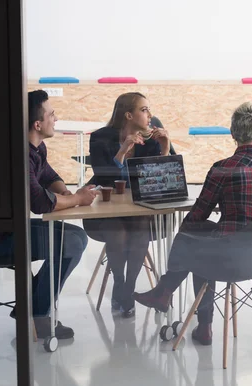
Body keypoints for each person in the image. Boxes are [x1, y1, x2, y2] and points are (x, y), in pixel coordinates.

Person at [133, 102, 252, 345]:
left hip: (226, 257)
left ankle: (198, 319)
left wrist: (182, 235)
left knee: (197, 240)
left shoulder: (222, 169)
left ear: (232, 134)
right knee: (202, 241)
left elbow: (199, 214)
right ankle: (165, 293)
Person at [0, 90, 97, 339]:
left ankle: (30, 310)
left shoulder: (34, 147)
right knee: (71, 242)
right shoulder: (18, 155)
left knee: (78, 238)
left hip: (10, 226)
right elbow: (40, 203)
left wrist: (66, 192)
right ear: (37, 124)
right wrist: (77, 200)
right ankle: (38, 315)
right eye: (52, 114)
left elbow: (48, 176)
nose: (56, 119)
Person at [83, 92, 174, 317]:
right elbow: (103, 177)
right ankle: (120, 282)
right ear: (128, 115)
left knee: (140, 225)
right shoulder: (100, 138)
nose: (150, 115)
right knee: (119, 232)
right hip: (109, 209)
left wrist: (165, 149)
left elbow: (163, 179)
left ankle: (128, 287)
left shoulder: (152, 139)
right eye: (144, 110)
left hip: (140, 209)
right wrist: (122, 150)